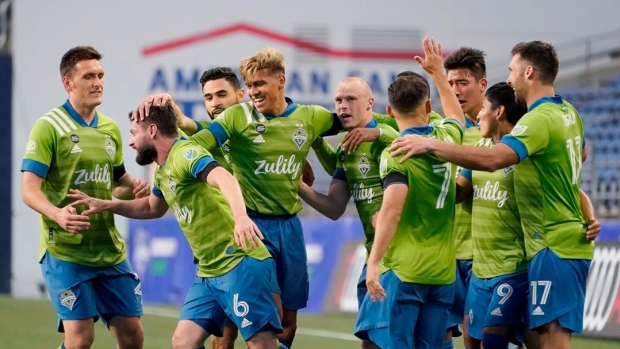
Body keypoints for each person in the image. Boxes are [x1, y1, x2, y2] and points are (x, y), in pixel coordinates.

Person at [388, 41, 596, 349]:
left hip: (547, 247)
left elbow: (494, 159)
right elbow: (566, 175)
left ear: (528, 71)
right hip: (536, 248)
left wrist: (431, 145)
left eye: (512, 71)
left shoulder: (534, 122)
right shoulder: (568, 112)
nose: (509, 79)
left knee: (544, 341)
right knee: (533, 338)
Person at [135, 48, 340, 348]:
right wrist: (169, 134)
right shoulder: (225, 126)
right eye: (208, 98)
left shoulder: (294, 118)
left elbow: (342, 122)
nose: (215, 104)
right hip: (243, 231)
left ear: (240, 94)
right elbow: (191, 136)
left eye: (221, 95)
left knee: (286, 323)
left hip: (289, 227)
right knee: (230, 329)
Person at [68, 103, 284, 349]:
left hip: (240, 261)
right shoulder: (162, 169)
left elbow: (224, 177)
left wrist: (241, 217)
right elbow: (152, 207)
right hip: (209, 272)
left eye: (132, 133)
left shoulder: (185, 154)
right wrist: (108, 205)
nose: (130, 142)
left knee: (262, 344)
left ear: (151, 131)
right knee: (183, 343)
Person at [20, 46, 149, 349]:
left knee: (132, 336)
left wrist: (135, 187)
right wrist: (58, 214)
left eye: (101, 75)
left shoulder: (110, 129)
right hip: (66, 254)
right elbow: (29, 189)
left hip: (108, 251)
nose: (97, 82)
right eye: (89, 76)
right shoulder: (48, 127)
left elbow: (116, 184)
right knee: (80, 339)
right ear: (68, 82)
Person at [355, 37, 466, 349]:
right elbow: (457, 117)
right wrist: (438, 73)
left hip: (404, 272)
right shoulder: (447, 138)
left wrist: (374, 263)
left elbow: (392, 210)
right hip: (443, 274)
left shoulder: (396, 152)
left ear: (389, 110)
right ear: (428, 107)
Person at [297, 77, 399, 349]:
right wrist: (296, 184)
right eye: (339, 100)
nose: (343, 106)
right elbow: (333, 208)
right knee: (369, 341)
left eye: (351, 99)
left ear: (369, 103)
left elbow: (423, 138)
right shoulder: (345, 149)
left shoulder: (388, 128)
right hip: (374, 255)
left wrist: (379, 133)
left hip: (403, 255)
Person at [457, 82, 530, 349]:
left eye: (485, 108)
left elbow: (569, 187)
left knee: (493, 339)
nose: (478, 115)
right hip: (480, 269)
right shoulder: (480, 149)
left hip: (512, 267)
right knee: (471, 339)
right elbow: (456, 193)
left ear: (498, 112)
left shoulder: (522, 153)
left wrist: (589, 216)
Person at [443, 47, 487, 348]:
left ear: (482, 84)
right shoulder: (445, 127)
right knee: (445, 333)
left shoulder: (500, 126)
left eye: (463, 83)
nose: (456, 91)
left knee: (481, 336)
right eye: (450, 84)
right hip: (446, 250)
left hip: (483, 252)